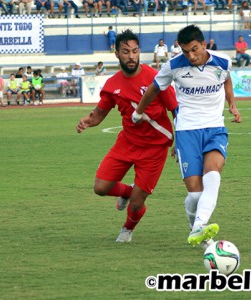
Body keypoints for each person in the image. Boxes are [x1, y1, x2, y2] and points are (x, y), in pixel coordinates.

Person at [132, 25, 241, 248]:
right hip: (186, 132)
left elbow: (226, 79)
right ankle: (198, 233)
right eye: (185, 51)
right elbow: (154, 88)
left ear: (204, 44)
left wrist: (232, 103)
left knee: (213, 175)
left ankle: (200, 225)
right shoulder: (173, 66)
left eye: (194, 50)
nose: (191, 56)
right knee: (194, 195)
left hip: (214, 128)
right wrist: (138, 112)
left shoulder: (222, 61)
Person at [76, 29, 178, 243]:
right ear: (117, 54)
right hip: (127, 142)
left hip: (155, 147)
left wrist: (181, 141)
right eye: (125, 52)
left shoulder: (156, 78)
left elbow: (175, 109)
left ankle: (127, 229)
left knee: (136, 202)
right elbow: (100, 113)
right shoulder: (112, 85)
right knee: (100, 188)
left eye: (135, 51)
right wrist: (88, 120)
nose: (131, 56)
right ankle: (127, 191)